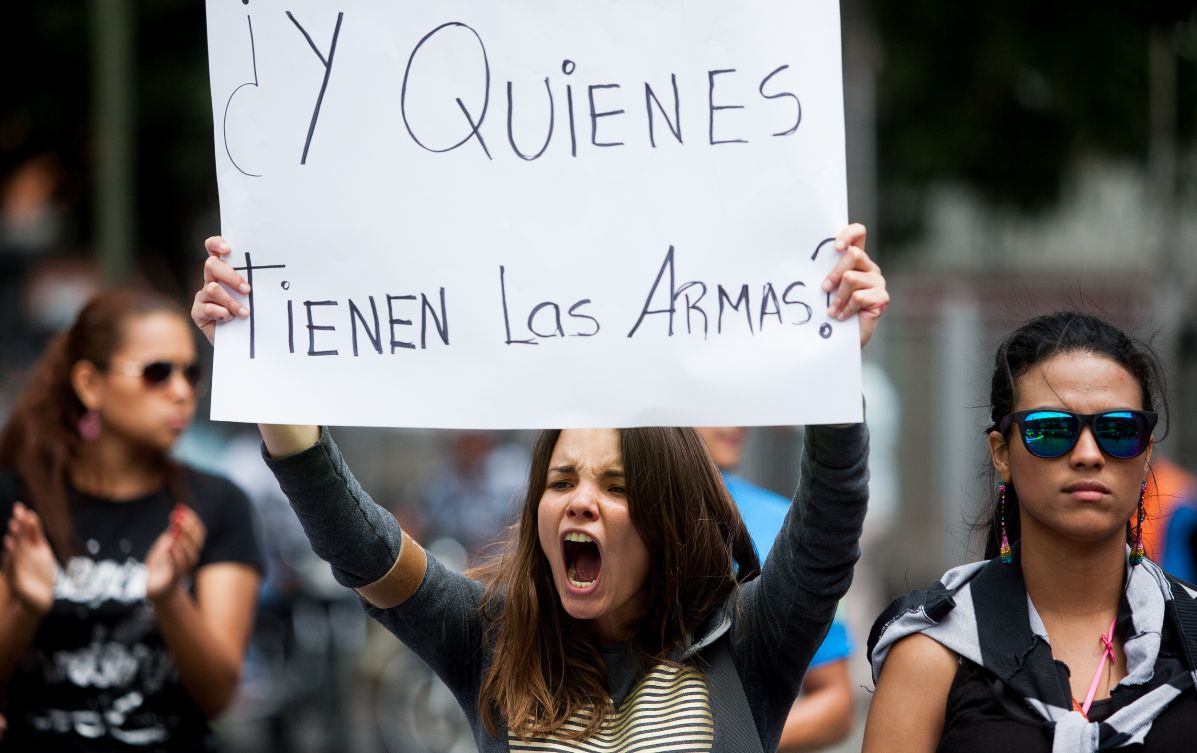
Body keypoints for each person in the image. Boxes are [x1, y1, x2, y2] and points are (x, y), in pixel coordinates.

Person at [192, 224, 888, 752]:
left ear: (668, 518)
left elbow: (828, 522)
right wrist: (264, 371)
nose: (580, 500)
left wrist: (833, 356)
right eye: (561, 480)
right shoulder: (488, 640)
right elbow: (359, 544)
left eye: (616, 485)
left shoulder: (748, 638)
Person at [863, 311, 1197, 753]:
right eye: (1050, 430)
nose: (1088, 454)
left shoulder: (1190, 632)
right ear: (1001, 454)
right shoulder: (931, 654)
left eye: (1118, 430)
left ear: (1146, 452)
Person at [0, 289, 263, 750]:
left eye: (191, 373)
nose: (181, 392)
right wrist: (26, 607)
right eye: (157, 373)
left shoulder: (217, 503)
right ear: (90, 384)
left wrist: (170, 599)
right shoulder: (21, 502)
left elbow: (218, 697)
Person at [695, 427, 855, 751]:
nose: (736, 423)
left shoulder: (786, 526)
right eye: (713, 404)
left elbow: (836, 702)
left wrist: (719, 741)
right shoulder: (612, 513)